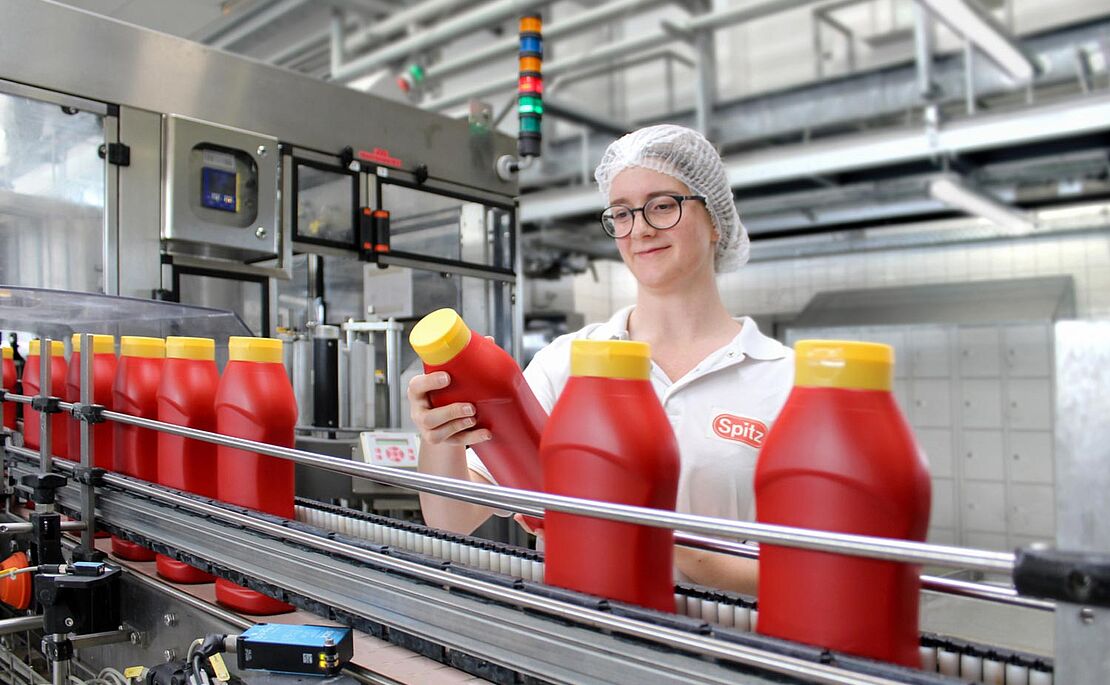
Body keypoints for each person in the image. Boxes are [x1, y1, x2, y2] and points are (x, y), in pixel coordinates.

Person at [409, 124, 794, 596]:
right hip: (582, 641)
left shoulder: (783, 379)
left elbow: (815, 575)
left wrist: (633, 530)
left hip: (726, 653)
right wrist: (441, 439)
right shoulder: (568, 361)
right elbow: (451, 519)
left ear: (715, 219)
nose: (641, 228)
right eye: (622, 213)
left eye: (663, 205)